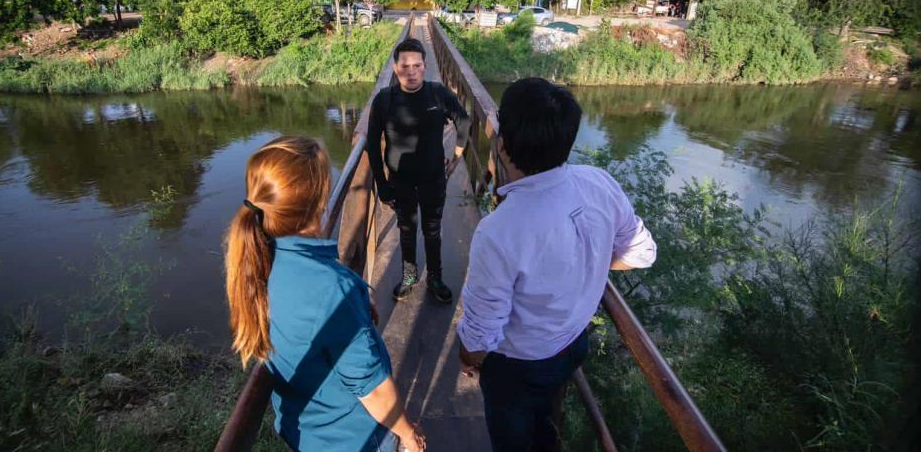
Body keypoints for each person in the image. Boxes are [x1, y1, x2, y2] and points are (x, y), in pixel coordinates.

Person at [456, 78, 657, 452]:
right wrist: (586, 260)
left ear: (502, 145)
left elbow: (481, 332)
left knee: (513, 438)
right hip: (573, 345)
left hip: (519, 366)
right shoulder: (599, 183)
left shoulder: (498, 231)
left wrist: (468, 359)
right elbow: (642, 253)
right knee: (547, 426)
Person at [224, 136, 426, 452]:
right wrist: (408, 435)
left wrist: (357, 299)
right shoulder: (329, 289)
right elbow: (372, 390)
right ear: (320, 202)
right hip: (354, 437)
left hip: (308, 430)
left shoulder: (263, 259)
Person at [366, 38, 471, 303]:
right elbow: (371, 142)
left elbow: (464, 120)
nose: (411, 71)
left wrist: (457, 156)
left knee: (432, 229)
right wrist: (382, 184)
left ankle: (435, 277)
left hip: (433, 177)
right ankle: (409, 276)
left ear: (425, 66)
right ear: (395, 67)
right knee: (406, 229)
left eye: (417, 65)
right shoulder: (384, 100)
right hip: (399, 180)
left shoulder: (438, 94)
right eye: (405, 65)